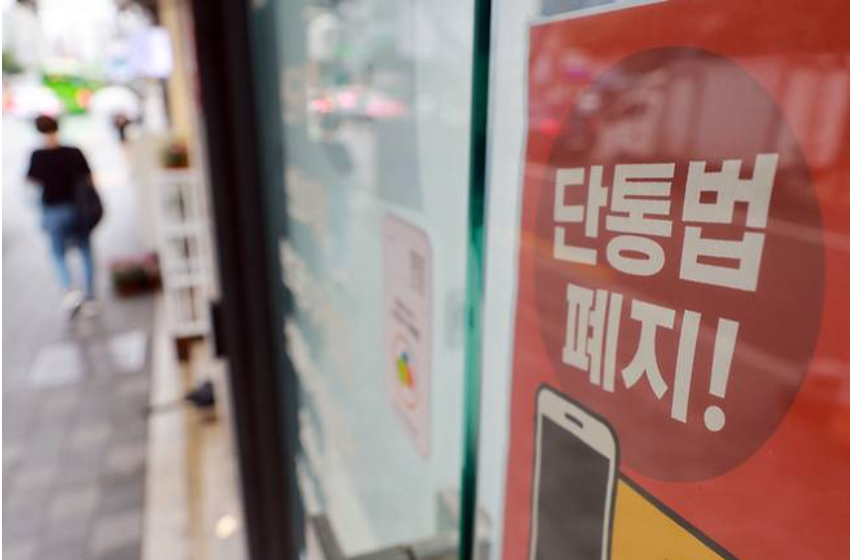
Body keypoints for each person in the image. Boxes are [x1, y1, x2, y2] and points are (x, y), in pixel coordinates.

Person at [26, 115, 98, 317]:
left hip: (53, 210)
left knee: (58, 253)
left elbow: (30, 181)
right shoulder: (73, 152)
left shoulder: (37, 155)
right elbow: (90, 178)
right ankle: (90, 297)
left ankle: (70, 291)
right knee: (85, 250)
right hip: (79, 209)